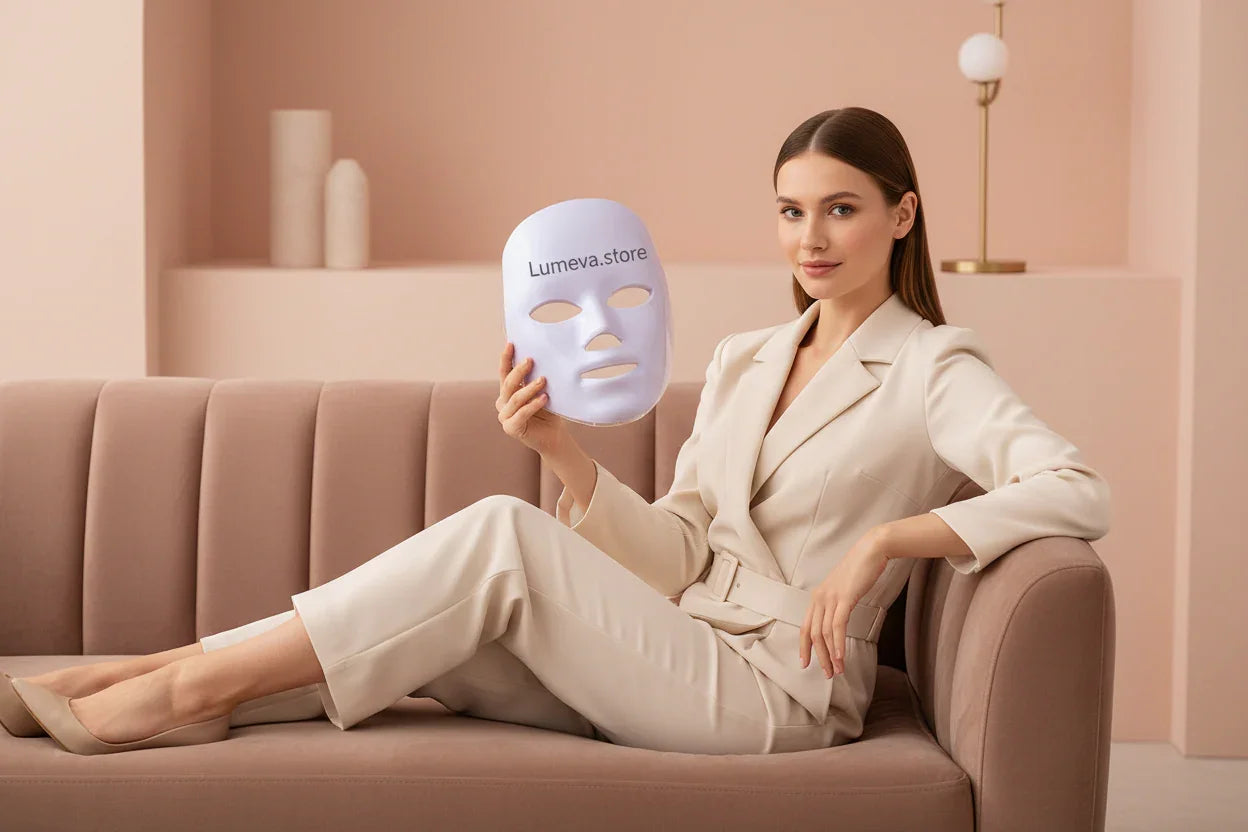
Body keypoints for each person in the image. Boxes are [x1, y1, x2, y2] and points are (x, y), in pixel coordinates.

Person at [3, 106, 1110, 756]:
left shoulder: (930, 365)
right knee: (451, 630)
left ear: (900, 214)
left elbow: (1077, 489)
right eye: (789, 210)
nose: (809, 237)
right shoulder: (746, 360)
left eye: (839, 209)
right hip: (678, 640)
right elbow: (682, 549)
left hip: (777, 691)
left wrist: (889, 541)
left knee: (498, 536)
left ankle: (179, 688)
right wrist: (560, 450)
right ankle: (186, 678)